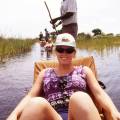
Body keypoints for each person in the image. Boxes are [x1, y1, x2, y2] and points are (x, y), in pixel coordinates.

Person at [7, 33, 120, 120]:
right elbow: (30, 96)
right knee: (36, 102)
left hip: (78, 115)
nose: (64, 54)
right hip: (53, 116)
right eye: (60, 49)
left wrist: (113, 110)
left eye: (69, 50)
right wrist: (14, 114)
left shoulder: (84, 70)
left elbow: (99, 93)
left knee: (79, 97)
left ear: (74, 53)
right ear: (55, 51)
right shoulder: (44, 73)